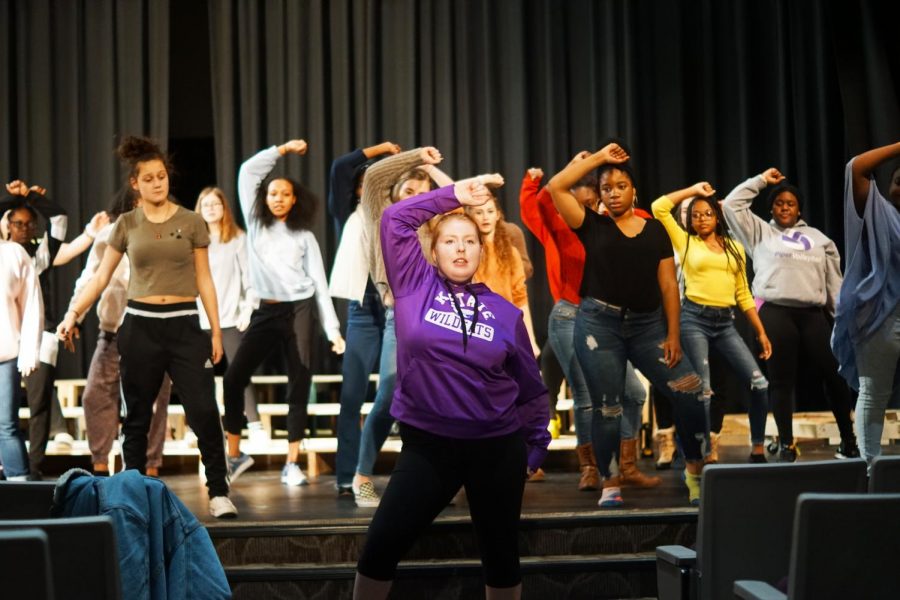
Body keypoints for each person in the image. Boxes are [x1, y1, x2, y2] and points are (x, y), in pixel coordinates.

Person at [353, 173, 550, 600]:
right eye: (450, 240)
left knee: (500, 557)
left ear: (482, 249)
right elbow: (394, 219)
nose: (460, 248)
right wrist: (453, 196)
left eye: (469, 241)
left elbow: (531, 391)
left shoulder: (504, 313)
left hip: (496, 449)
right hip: (429, 448)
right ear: (434, 249)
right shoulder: (413, 286)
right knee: (380, 547)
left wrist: (534, 449)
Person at [57, 136, 236, 518]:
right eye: (149, 179)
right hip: (140, 327)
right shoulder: (126, 224)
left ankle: (219, 490)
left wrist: (216, 331)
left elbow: (205, 279)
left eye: (162, 177)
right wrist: (73, 315)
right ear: (136, 184)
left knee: (204, 411)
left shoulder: (191, 222)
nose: (158, 183)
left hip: (186, 327)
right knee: (136, 415)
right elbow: (101, 277)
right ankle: (131, 492)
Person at [548, 142, 708, 507]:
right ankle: (610, 484)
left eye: (621, 186)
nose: (615, 193)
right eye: (607, 188)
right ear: (600, 195)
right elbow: (557, 186)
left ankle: (695, 474)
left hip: (648, 326)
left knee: (690, 393)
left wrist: (673, 334)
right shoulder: (591, 225)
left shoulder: (654, 231)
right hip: (598, 326)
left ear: (633, 190)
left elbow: (669, 285)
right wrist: (600, 159)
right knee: (608, 407)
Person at [520, 162, 657, 491]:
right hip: (570, 316)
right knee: (585, 395)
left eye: (590, 202)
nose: (583, 208)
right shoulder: (561, 227)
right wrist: (534, 180)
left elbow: (648, 222)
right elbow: (537, 204)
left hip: (607, 320)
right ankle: (591, 468)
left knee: (634, 392)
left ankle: (626, 465)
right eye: (576, 202)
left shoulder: (612, 230)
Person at [225, 139, 345, 487]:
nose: (278, 198)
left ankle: (292, 462)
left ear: (295, 201)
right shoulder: (255, 223)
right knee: (233, 379)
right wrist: (282, 150)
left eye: (285, 194)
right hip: (267, 310)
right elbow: (248, 172)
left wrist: (333, 330)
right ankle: (235, 454)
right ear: (265, 198)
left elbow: (320, 284)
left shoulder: (304, 236)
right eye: (273, 192)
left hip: (300, 310)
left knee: (299, 381)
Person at [723, 168, 858, 461]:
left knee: (836, 377)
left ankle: (848, 441)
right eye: (780, 203)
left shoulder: (819, 239)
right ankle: (786, 444)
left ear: (799, 208)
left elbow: (835, 283)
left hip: (813, 313)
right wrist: (760, 181)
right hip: (775, 312)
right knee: (781, 380)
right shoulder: (759, 232)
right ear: (772, 207)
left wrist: (841, 321)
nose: (785, 207)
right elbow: (730, 204)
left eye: (791, 203)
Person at [653, 182, 772, 462]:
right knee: (703, 392)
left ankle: (757, 447)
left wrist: (761, 332)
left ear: (717, 216)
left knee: (760, 384)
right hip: (694, 319)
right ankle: (703, 452)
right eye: (695, 215)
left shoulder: (734, 248)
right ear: (690, 220)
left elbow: (744, 294)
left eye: (707, 214)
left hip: (725, 324)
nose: (701, 219)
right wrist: (693, 189)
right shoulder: (686, 242)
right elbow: (659, 207)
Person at [352, 147, 445, 507]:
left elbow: (458, 198)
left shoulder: (435, 227)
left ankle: (433, 477)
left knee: (435, 397)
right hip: (400, 318)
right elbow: (374, 177)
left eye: (423, 198)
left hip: (437, 318)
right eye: (409, 192)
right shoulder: (383, 218)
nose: (416, 201)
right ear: (394, 196)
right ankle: (362, 475)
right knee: (389, 390)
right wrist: (415, 158)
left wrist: (432, 176)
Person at [2, 181, 107, 477]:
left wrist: (32, 198)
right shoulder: (2, 252)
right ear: (8, 225)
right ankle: (9, 466)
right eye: (17, 223)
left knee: (39, 406)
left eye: (28, 224)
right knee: (6, 414)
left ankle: (32, 468)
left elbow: (60, 219)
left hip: (41, 336)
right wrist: (14, 197)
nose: (23, 228)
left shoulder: (41, 252)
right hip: (6, 337)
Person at [66, 186, 172, 476]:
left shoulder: (168, 234)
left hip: (155, 332)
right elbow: (89, 278)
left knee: (152, 401)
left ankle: (149, 470)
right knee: (95, 395)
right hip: (114, 330)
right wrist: (73, 316)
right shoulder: (110, 233)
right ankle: (100, 467)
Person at [328, 142, 401, 497]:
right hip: (363, 307)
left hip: (397, 307)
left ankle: (402, 472)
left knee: (394, 390)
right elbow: (342, 167)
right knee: (352, 394)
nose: (371, 189)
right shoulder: (349, 212)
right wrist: (382, 149)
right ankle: (346, 476)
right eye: (366, 183)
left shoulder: (398, 211)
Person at [832, 141, 900, 468]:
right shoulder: (878, 211)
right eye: (899, 180)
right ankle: (871, 468)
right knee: (874, 393)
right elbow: (856, 167)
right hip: (880, 316)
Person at [194, 186, 262, 463]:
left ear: (224, 209)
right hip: (200, 320)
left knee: (238, 374)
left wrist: (248, 308)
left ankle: (255, 425)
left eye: (215, 204)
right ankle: (198, 427)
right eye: (206, 204)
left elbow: (251, 278)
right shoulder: (193, 241)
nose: (210, 208)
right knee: (200, 377)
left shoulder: (237, 239)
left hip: (232, 319)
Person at [466, 194, 541, 356]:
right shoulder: (466, 251)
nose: (485, 217)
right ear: (470, 216)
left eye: (490, 211)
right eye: (479, 212)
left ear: (497, 215)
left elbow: (520, 297)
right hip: (475, 327)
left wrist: (530, 340)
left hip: (505, 326)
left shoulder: (510, 252)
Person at [0, 238, 42, 480]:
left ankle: (19, 490)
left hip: (5, 352)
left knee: (6, 425)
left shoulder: (12, 253)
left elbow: (31, 304)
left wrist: (29, 351)